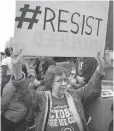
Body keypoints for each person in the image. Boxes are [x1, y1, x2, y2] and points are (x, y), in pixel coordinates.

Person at [9, 49, 105, 131]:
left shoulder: (73, 95)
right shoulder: (42, 98)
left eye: (65, 80)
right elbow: (24, 93)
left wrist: (100, 67)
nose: (64, 84)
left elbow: (90, 88)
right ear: (50, 83)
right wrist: (17, 68)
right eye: (59, 81)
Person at [1, 63, 30, 131]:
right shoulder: (28, 83)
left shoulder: (10, 86)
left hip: (10, 118)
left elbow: (3, 104)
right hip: (22, 116)